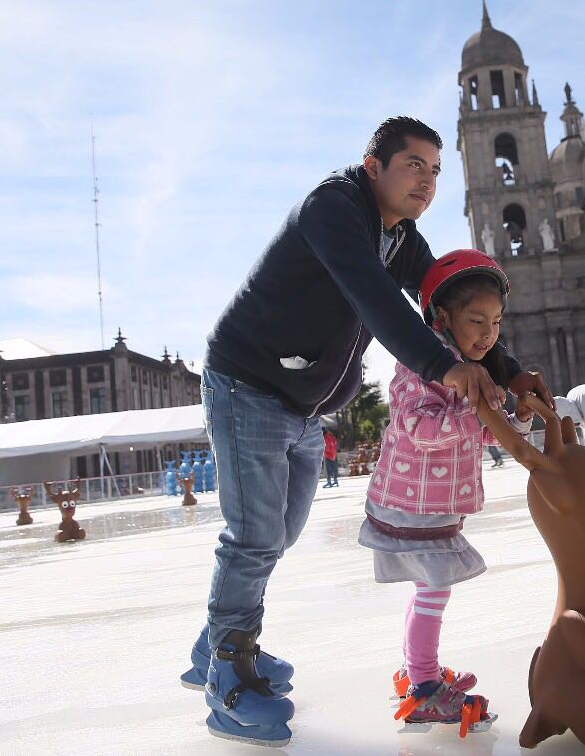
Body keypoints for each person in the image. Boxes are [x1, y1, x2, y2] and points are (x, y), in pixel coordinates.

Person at [179, 117, 552, 746]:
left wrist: (507, 371)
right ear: (373, 166)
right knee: (255, 536)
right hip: (247, 385)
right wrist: (448, 369)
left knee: (279, 533)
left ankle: (215, 641)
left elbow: (449, 299)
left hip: (301, 407)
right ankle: (228, 674)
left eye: (436, 170)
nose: (427, 181)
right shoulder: (335, 209)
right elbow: (378, 302)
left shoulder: (400, 237)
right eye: (414, 166)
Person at [361, 249, 532, 733]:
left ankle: (421, 670)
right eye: (476, 319)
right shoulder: (423, 364)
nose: (489, 333)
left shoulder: (469, 366)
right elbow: (418, 427)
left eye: (496, 322)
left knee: (429, 590)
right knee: (435, 590)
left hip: (428, 502)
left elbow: (472, 433)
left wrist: (505, 417)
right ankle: (425, 687)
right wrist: (475, 411)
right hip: (410, 503)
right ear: (442, 317)